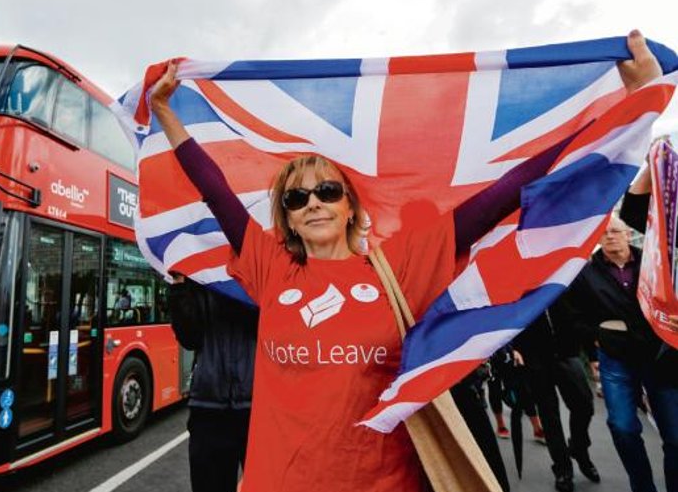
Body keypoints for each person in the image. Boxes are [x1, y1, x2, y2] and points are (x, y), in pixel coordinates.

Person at [148, 30, 661, 491]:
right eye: (297, 198)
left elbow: (504, 193)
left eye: (327, 190)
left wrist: (630, 107)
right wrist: (167, 112)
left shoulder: (397, 265)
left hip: (384, 481)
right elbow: (214, 188)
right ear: (286, 216)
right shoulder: (268, 265)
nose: (313, 204)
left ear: (350, 204)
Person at [570, 168, 678, 492]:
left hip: (658, 355)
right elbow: (576, 317)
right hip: (615, 357)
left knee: (674, 434)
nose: (610, 237)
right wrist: (596, 339)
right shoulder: (586, 275)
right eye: (603, 234)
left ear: (625, 233)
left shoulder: (652, 263)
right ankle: (642, 486)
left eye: (615, 231)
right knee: (622, 427)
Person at [169, 274, 258, 492]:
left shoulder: (261, 263)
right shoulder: (195, 273)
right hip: (208, 408)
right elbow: (189, 338)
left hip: (259, 409)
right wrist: (179, 286)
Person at [513, 299, 599, 491]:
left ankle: (578, 447)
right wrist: (514, 347)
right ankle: (562, 470)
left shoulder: (561, 274)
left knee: (584, 405)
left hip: (567, 351)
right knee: (549, 415)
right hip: (534, 355)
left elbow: (579, 313)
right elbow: (509, 312)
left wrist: (592, 355)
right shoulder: (518, 279)